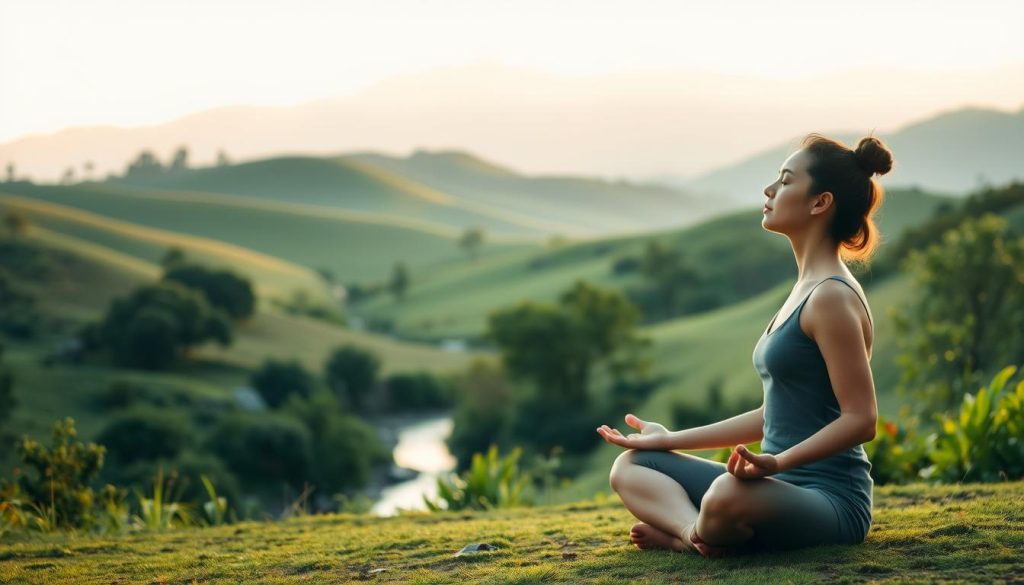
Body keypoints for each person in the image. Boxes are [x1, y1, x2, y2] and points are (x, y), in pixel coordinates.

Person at [597, 132, 894, 557]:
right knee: (632, 466)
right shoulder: (804, 289)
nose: (770, 190)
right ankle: (690, 534)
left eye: (786, 180)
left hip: (830, 500)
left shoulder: (831, 296)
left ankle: (696, 531)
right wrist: (669, 440)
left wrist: (777, 463)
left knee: (725, 495)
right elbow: (772, 414)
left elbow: (861, 419)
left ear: (819, 202)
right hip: (770, 486)